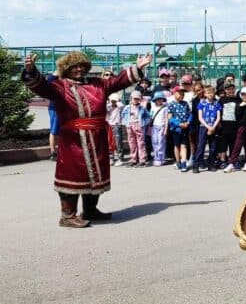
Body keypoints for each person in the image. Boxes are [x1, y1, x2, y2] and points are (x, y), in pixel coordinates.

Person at [21, 51, 151, 227]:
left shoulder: (98, 84)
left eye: (82, 66)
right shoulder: (59, 86)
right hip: (73, 141)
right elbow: (41, 86)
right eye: (74, 66)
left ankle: (90, 211)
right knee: (73, 175)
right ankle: (67, 216)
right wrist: (31, 70)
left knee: (96, 176)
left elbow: (118, 81)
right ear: (66, 69)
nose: (79, 69)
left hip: (97, 138)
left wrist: (138, 67)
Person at [229, 87, 246, 172]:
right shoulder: (239, 105)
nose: (245, 96)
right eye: (243, 94)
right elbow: (237, 117)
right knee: (237, 145)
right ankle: (232, 163)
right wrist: (240, 107)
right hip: (241, 127)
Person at [195, 85, 222, 172]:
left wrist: (213, 127)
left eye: (212, 93)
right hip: (204, 127)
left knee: (213, 147)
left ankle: (211, 164)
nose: (210, 94)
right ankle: (196, 164)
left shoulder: (217, 104)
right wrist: (208, 127)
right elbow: (200, 117)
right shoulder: (202, 103)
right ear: (205, 94)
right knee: (201, 146)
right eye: (208, 93)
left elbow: (218, 117)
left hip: (213, 127)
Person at [168, 86, 192, 172]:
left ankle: (183, 162)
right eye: (179, 93)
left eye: (183, 93)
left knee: (184, 145)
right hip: (176, 129)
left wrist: (188, 122)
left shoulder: (185, 103)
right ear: (174, 93)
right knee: (177, 145)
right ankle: (178, 162)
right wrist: (179, 124)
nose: (181, 95)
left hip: (185, 128)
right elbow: (170, 118)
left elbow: (190, 114)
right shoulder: (171, 104)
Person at [220, 82, 241, 172]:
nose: (231, 91)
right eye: (228, 89)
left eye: (232, 89)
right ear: (225, 90)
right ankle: (222, 161)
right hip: (224, 126)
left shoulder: (238, 100)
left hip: (234, 126)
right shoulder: (222, 100)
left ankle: (234, 160)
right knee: (223, 145)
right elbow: (219, 112)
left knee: (234, 144)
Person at [150, 91, 168, 166]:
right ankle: (156, 157)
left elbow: (166, 119)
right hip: (154, 127)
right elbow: (151, 117)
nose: (159, 100)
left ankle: (161, 158)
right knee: (154, 142)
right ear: (155, 100)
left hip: (162, 126)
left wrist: (166, 129)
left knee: (161, 143)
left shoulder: (165, 108)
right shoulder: (153, 107)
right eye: (157, 99)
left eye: (161, 99)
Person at [106, 93, 124, 166]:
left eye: (114, 101)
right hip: (109, 125)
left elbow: (121, 106)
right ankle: (111, 158)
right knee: (110, 142)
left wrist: (117, 101)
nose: (113, 102)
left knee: (118, 142)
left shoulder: (119, 107)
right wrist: (110, 102)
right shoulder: (108, 107)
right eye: (112, 101)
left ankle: (120, 158)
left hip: (117, 125)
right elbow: (106, 107)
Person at [47, 72, 60, 161]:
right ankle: (53, 152)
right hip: (55, 108)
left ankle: (61, 151)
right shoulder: (54, 78)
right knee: (54, 130)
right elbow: (48, 81)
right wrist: (56, 73)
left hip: (66, 108)